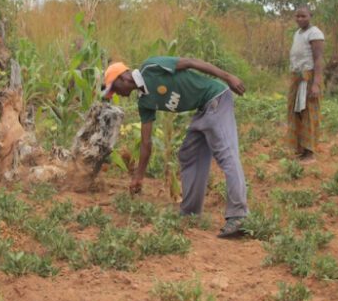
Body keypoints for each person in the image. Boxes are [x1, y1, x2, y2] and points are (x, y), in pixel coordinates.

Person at [102, 57, 248, 238]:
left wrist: (228, 77)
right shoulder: (144, 102)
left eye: (115, 89)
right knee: (189, 153)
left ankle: (238, 216)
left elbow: (191, 62)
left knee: (227, 154)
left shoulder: (151, 68)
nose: (118, 94)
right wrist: (138, 176)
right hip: (203, 108)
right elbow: (146, 143)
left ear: (122, 78)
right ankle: (190, 213)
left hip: (216, 98)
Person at [286, 6, 325, 164]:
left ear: (310, 16)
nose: (300, 19)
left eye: (303, 16)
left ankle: (310, 153)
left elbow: (318, 60)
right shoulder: (297, 33)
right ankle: (300, 148)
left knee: (309, 113)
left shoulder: (315, 33)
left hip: (308, 78)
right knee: (296, 113)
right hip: (297, 77)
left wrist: (316, 83)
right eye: (297, 16)